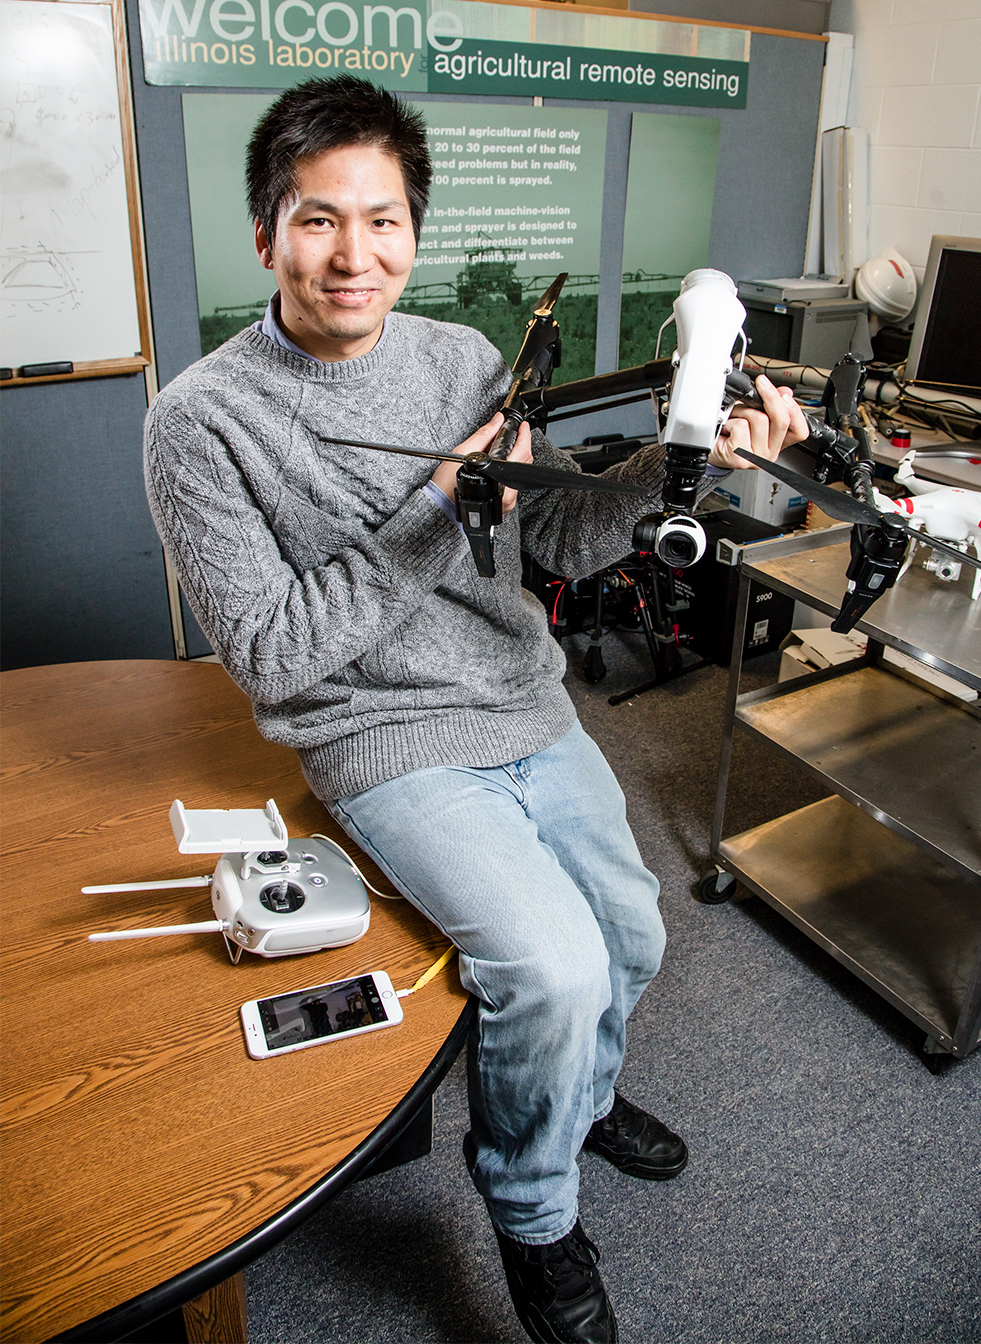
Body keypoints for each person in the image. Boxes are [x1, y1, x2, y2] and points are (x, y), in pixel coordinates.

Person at [144, 76, 807, 1344]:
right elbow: (279, 658)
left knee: (631, 934)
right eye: (319, 220)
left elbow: (555, 529)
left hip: (521, 698)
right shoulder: (199, 423)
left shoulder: (458, 357)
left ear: (414, 229)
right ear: (266, 234)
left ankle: (577, 1097)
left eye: (383, 221)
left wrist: (685, 467)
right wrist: (436, 508)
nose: (354, 255)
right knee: (549, 969)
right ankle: (531, 1206)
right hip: (378, 737)